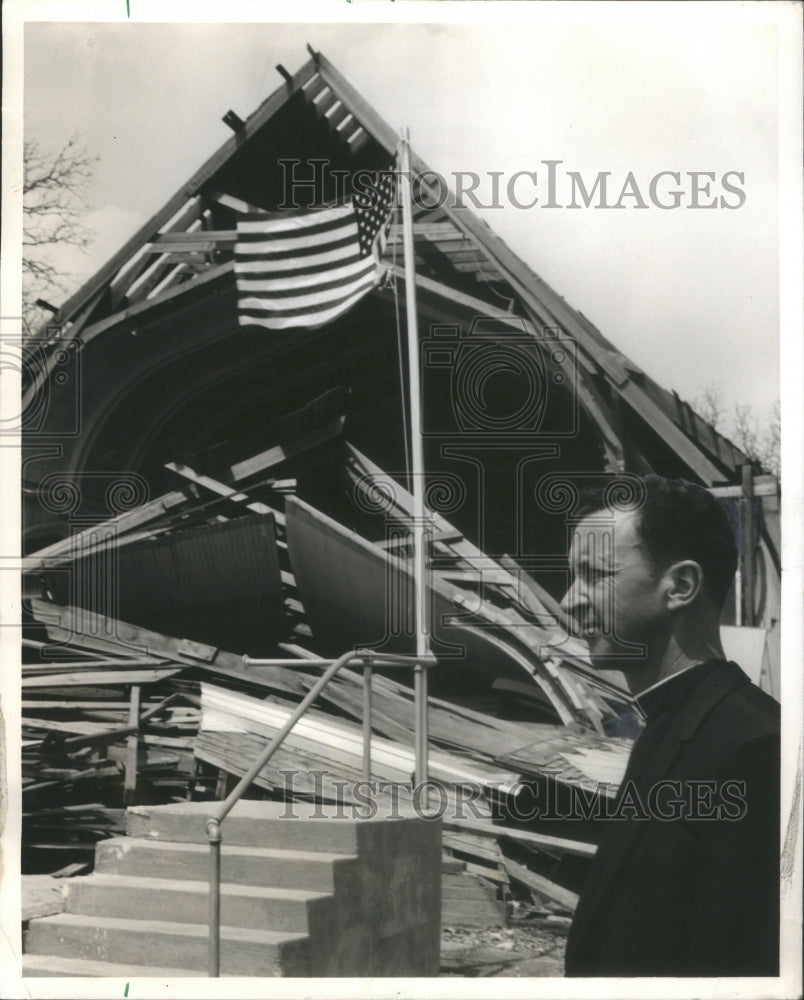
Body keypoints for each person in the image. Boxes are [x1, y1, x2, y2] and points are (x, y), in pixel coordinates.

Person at [560, 475, 780, 977]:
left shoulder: (756, 748)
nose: (569, 599)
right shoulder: (664, 725)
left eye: (594, 575)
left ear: (680, 586)